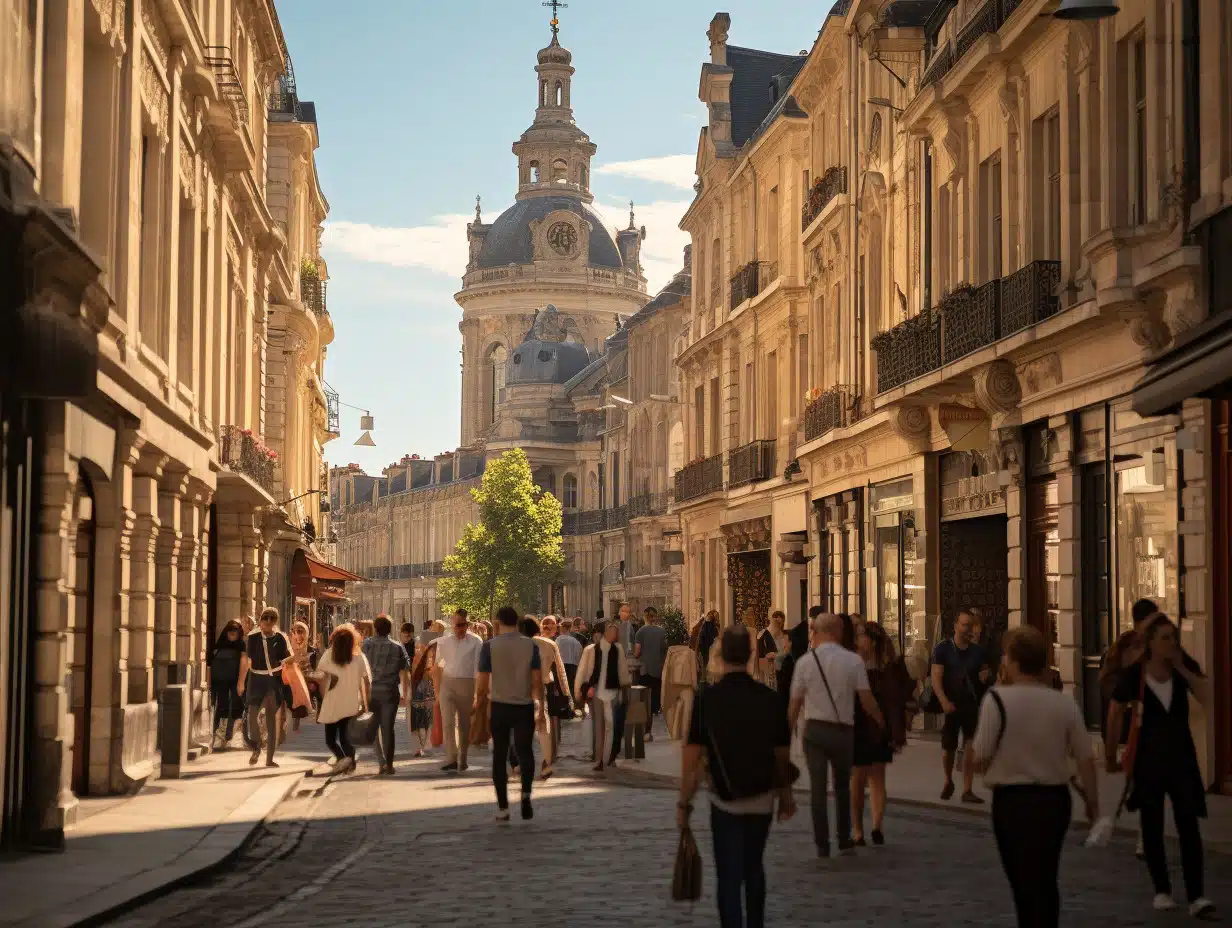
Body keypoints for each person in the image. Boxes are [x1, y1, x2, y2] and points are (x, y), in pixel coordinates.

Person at [971, 625, 1100, 928]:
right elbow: (1085, 757)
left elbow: (979, 756)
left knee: (1021, 880)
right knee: (1045, 875)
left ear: (1013, 661)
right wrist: (1092, 802)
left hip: (1012, 802)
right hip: (1054, 801)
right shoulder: (1064, 702)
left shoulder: (997, 700)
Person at [678, 627, 796, 928]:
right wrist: (786, 795)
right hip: (761, 796)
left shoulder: (708, 699)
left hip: (724, 797)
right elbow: (782, 753)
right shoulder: (770, 699)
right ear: (751, 654)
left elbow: (691, 758)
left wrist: (684, 802)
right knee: (754, 866)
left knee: (729, 875)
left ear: (719, 656)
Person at [1106, 615, 1214, 918]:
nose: (1171, 644)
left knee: (1189, 826)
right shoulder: (1135, 675)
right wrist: (1111, 755)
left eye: (1174, 638)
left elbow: (1209, 698)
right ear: (1150, 643)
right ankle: (1162, 890)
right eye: (1165, 638)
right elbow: (1115, 712)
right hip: (1149, 760)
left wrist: (1182, 667)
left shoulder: (1182, 671)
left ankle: (1197, 896)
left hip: (1182, 758)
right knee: (1151, 825)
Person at [788, 612, 884, 858]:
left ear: (818, 632)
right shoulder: (853, 661)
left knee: (818, 789)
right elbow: (866, 699)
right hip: (843, 732)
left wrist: (785, 736)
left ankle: (822, 844)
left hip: (815, 731)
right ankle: (844, 838)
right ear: (838, 633)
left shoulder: (805, 663)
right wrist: (881, 721)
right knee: (842, 787)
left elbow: (795, 704)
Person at [476, 605, 543, 822]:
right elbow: (536, 680)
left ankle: (503, 808)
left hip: (500, 704)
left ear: (498, 622)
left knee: (499, 755)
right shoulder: (530, 646)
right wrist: (538, 704)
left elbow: (482, 684)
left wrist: (479, 705)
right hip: (523, 704)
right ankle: (525, 795)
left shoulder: (489, 647)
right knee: (525, 751)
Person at [851, 621, 914, 846]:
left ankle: (869, 828)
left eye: (861, 636)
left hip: (873, 725)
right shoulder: (863, 662)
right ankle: (866, 827)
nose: (858, 640)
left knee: (869, 776)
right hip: (869, 725)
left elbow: (903, 693)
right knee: (868, 777)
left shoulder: (883, 664)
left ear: (872, 640)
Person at [931, 609, 990, 803]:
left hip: (971, 706)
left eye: (970, 625)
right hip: (951, 705)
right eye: (964, 624)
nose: (967, 629)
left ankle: (967, 789)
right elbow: (936, 679)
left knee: (970, 746)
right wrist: (944, 701)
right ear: (955, 625)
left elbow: (985, 674)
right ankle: (948, 780)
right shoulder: (943, 649)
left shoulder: (978, 652)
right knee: (949, 747)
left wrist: (985, 676)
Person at [237, 607, 292, 768]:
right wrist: (241, 682)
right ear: (261, 619)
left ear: (276, 621)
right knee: (252, 715)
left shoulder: (281, 638)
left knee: (271, 720)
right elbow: (246, 660)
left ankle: (269, 759)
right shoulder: (253, 637)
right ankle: (256, 746)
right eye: (265, 617)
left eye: (272, 618)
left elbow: (287, 659)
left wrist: (292, 659)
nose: (268, 621)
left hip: (273, 681)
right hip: (256, 680)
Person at [575, 620, 632, 771]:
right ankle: (599, 759)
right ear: (604, 632)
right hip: (595, 692)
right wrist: (581, 690)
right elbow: (583, 672)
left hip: (612, 692)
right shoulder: (591, 650)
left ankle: (608, 757)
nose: (614, 634)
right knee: (599, 727)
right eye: (611, 631)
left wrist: (625, 687)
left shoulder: (618, 649)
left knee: (611, 726)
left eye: (615, 631)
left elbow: (622, 670)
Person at [315, 624, 371, 775]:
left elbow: (320, 677)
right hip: (351, 704)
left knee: (330, 740)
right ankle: (350, 764)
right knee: (347, 738)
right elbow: (365, 682)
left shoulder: (328, 655)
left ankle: (342, 759)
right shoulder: (359, 658)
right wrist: (366, 703)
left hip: (332, 702)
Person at [434, 607, 482, 773]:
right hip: (447, 684)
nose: (460, 629)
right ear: (452, 624)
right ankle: (451, 758)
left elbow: (478, 669)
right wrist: (437, 691)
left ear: (468, 624)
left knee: (464, 724)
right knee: (447, 722)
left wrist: (478, 693)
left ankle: (463, 758)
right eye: (457, 625)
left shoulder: (476, 641)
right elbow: (437, 666)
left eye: (463, 625)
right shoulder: (444, 642)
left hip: (467, 684)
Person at [362, 614, 411, 776]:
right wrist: (405, 692)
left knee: (374, 726)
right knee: (388, 728)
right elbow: (405, 669)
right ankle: (389, 764)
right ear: (390, 629)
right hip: (390, 691)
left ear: (375, 628)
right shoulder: (397, 646)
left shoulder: (367, 644)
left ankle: (381, 761)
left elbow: (361, 669)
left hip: (371, 691)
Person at [209, 620, 246, 748]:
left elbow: (244, 663)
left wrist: (241, 682)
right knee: (221, 706)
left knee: (235, 706)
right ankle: (218, 735)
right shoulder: (220, 645)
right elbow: (211, 663)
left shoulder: (241, 645)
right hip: (219, 680)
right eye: (230, 631)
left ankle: (229, 735)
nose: (232, 634)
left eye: (235, 631)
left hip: (234, 680)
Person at [633, 606, 667, 741]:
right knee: (653, 702)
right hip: (657, 670)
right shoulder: (662, 631)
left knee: (643, 701)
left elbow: (636, 652)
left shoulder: (640, 632)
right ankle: (649, 730)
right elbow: (664, 650)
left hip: (644, 670)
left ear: (645, 617)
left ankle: (645, 731)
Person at [556, 617, 583, 705]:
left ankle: (564, 706)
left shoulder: (558, 640)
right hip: (573, 666)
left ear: (563, 628)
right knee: (571, 686)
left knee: (562, 687)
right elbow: (579, 655)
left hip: (561, 666)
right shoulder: (575, 641)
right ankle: (573, 705)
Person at [691, 610, 721, 680]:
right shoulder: (710, 626)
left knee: (703, 670)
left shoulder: (704, 624)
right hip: (705, 650)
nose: (717, 619)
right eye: (716, 617)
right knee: (705, 669)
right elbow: (713, 639)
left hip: (701, 650)